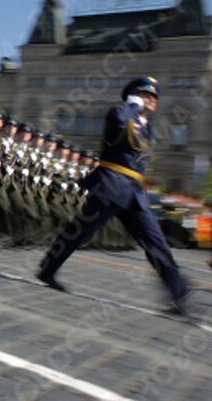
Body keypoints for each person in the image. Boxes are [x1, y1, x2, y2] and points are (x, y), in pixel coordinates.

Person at [37, 76, 190, 314]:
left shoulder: (146, 127)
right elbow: (118, 125)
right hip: (112, 184)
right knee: (80, 231)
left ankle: (178, 292)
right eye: (145, 95)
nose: (151, 100)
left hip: (134, 192)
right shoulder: (119, 114)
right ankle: (48, 268)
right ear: (134, 96)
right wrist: (131, 106)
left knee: (155, 241)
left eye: (154, 97)